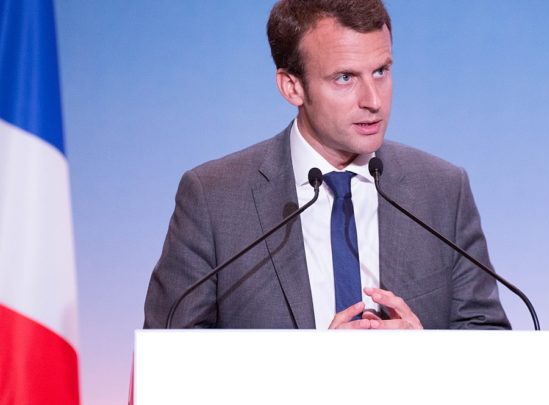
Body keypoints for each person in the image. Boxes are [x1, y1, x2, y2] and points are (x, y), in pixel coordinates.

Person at [143, 0, 510, 330]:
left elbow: (490, 342)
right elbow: (170, 357)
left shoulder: (442, 190)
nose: (373, 100)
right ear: (292, 87)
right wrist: (311, 373)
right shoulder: (214, 199)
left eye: (381, 71)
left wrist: (428, 357)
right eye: (345, 78)